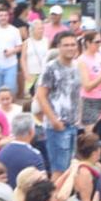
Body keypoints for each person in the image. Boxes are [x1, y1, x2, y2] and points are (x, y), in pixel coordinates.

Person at [35, 31, 82, 174]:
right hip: (57, 127)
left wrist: (79, 117)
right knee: (59, 172)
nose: (70, 48)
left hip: (73, 125)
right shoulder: (51, 67)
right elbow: (41, 95)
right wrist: (54, 120)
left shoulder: (76, 66)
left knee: (69, 170)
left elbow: (77, 94)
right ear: (59, 47)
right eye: (66, 45)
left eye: (73, 45)